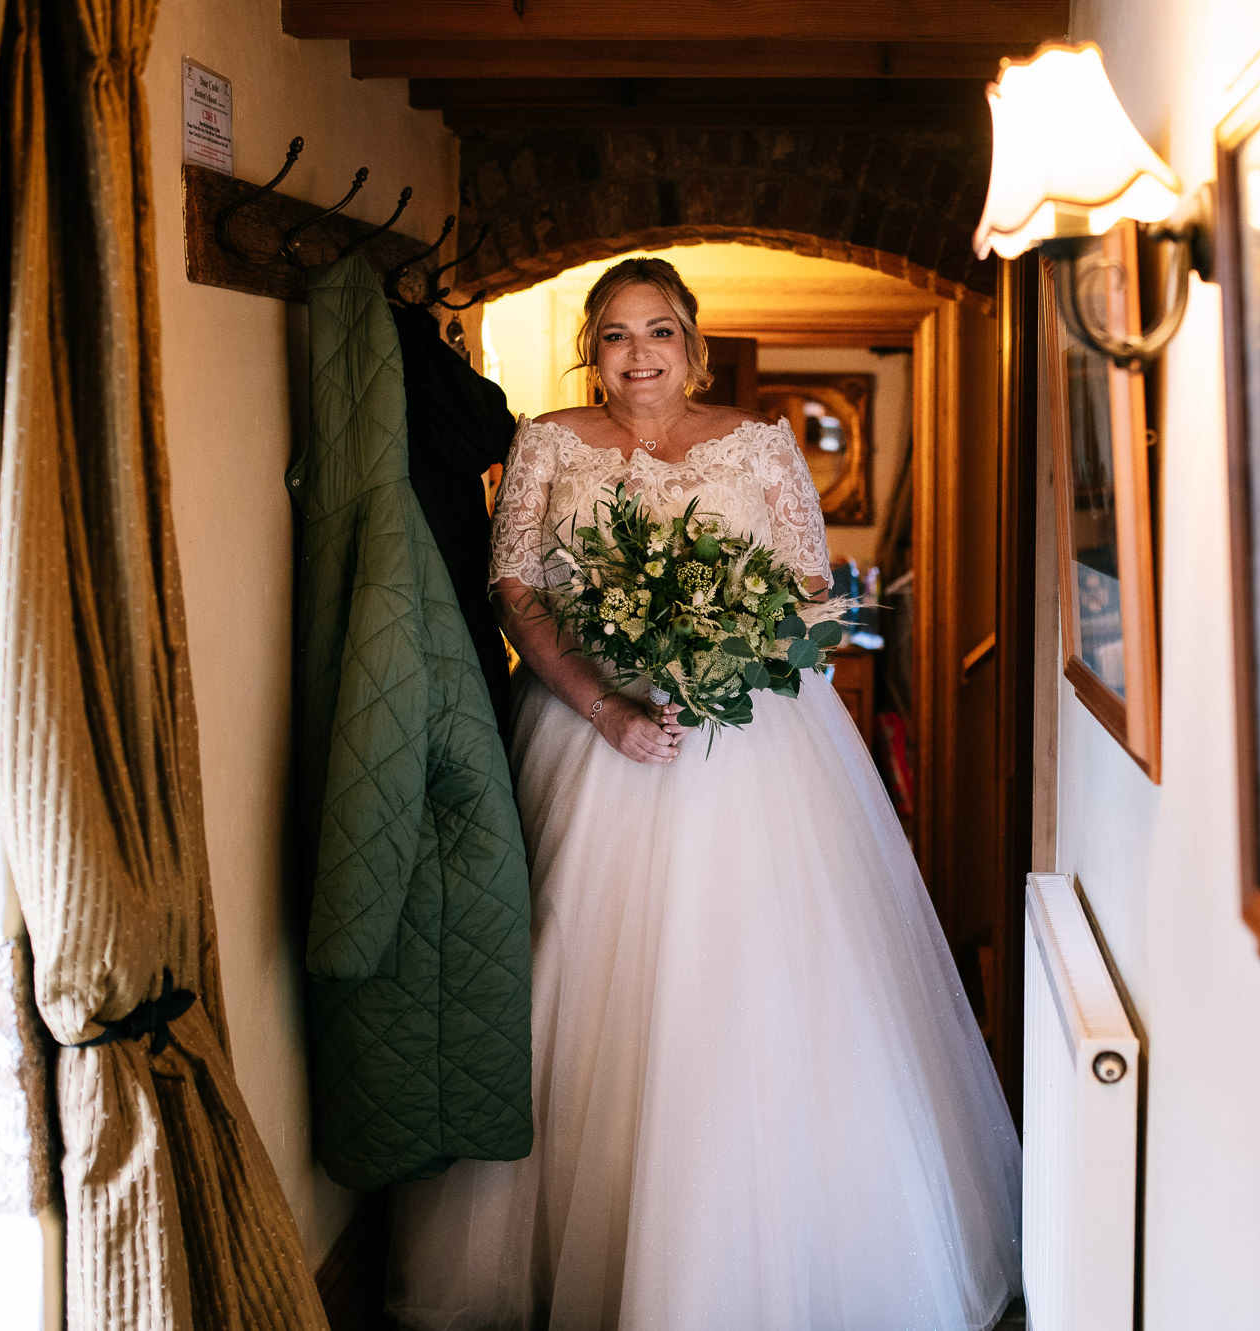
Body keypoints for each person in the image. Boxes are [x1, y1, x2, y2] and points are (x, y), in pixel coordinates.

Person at [387, 256, 1021, 1331]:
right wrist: (607, 704)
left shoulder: (758, 443)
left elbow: (812, 592)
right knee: (578, 961)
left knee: (767, 968)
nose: (638, 354)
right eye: (616, 334)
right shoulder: (545, 440)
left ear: (694, 342)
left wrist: (723, 663)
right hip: (589, 732)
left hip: (754, 743)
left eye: (659, 332)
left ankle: (784, 1247)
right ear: (590, 349)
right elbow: (515, 592)